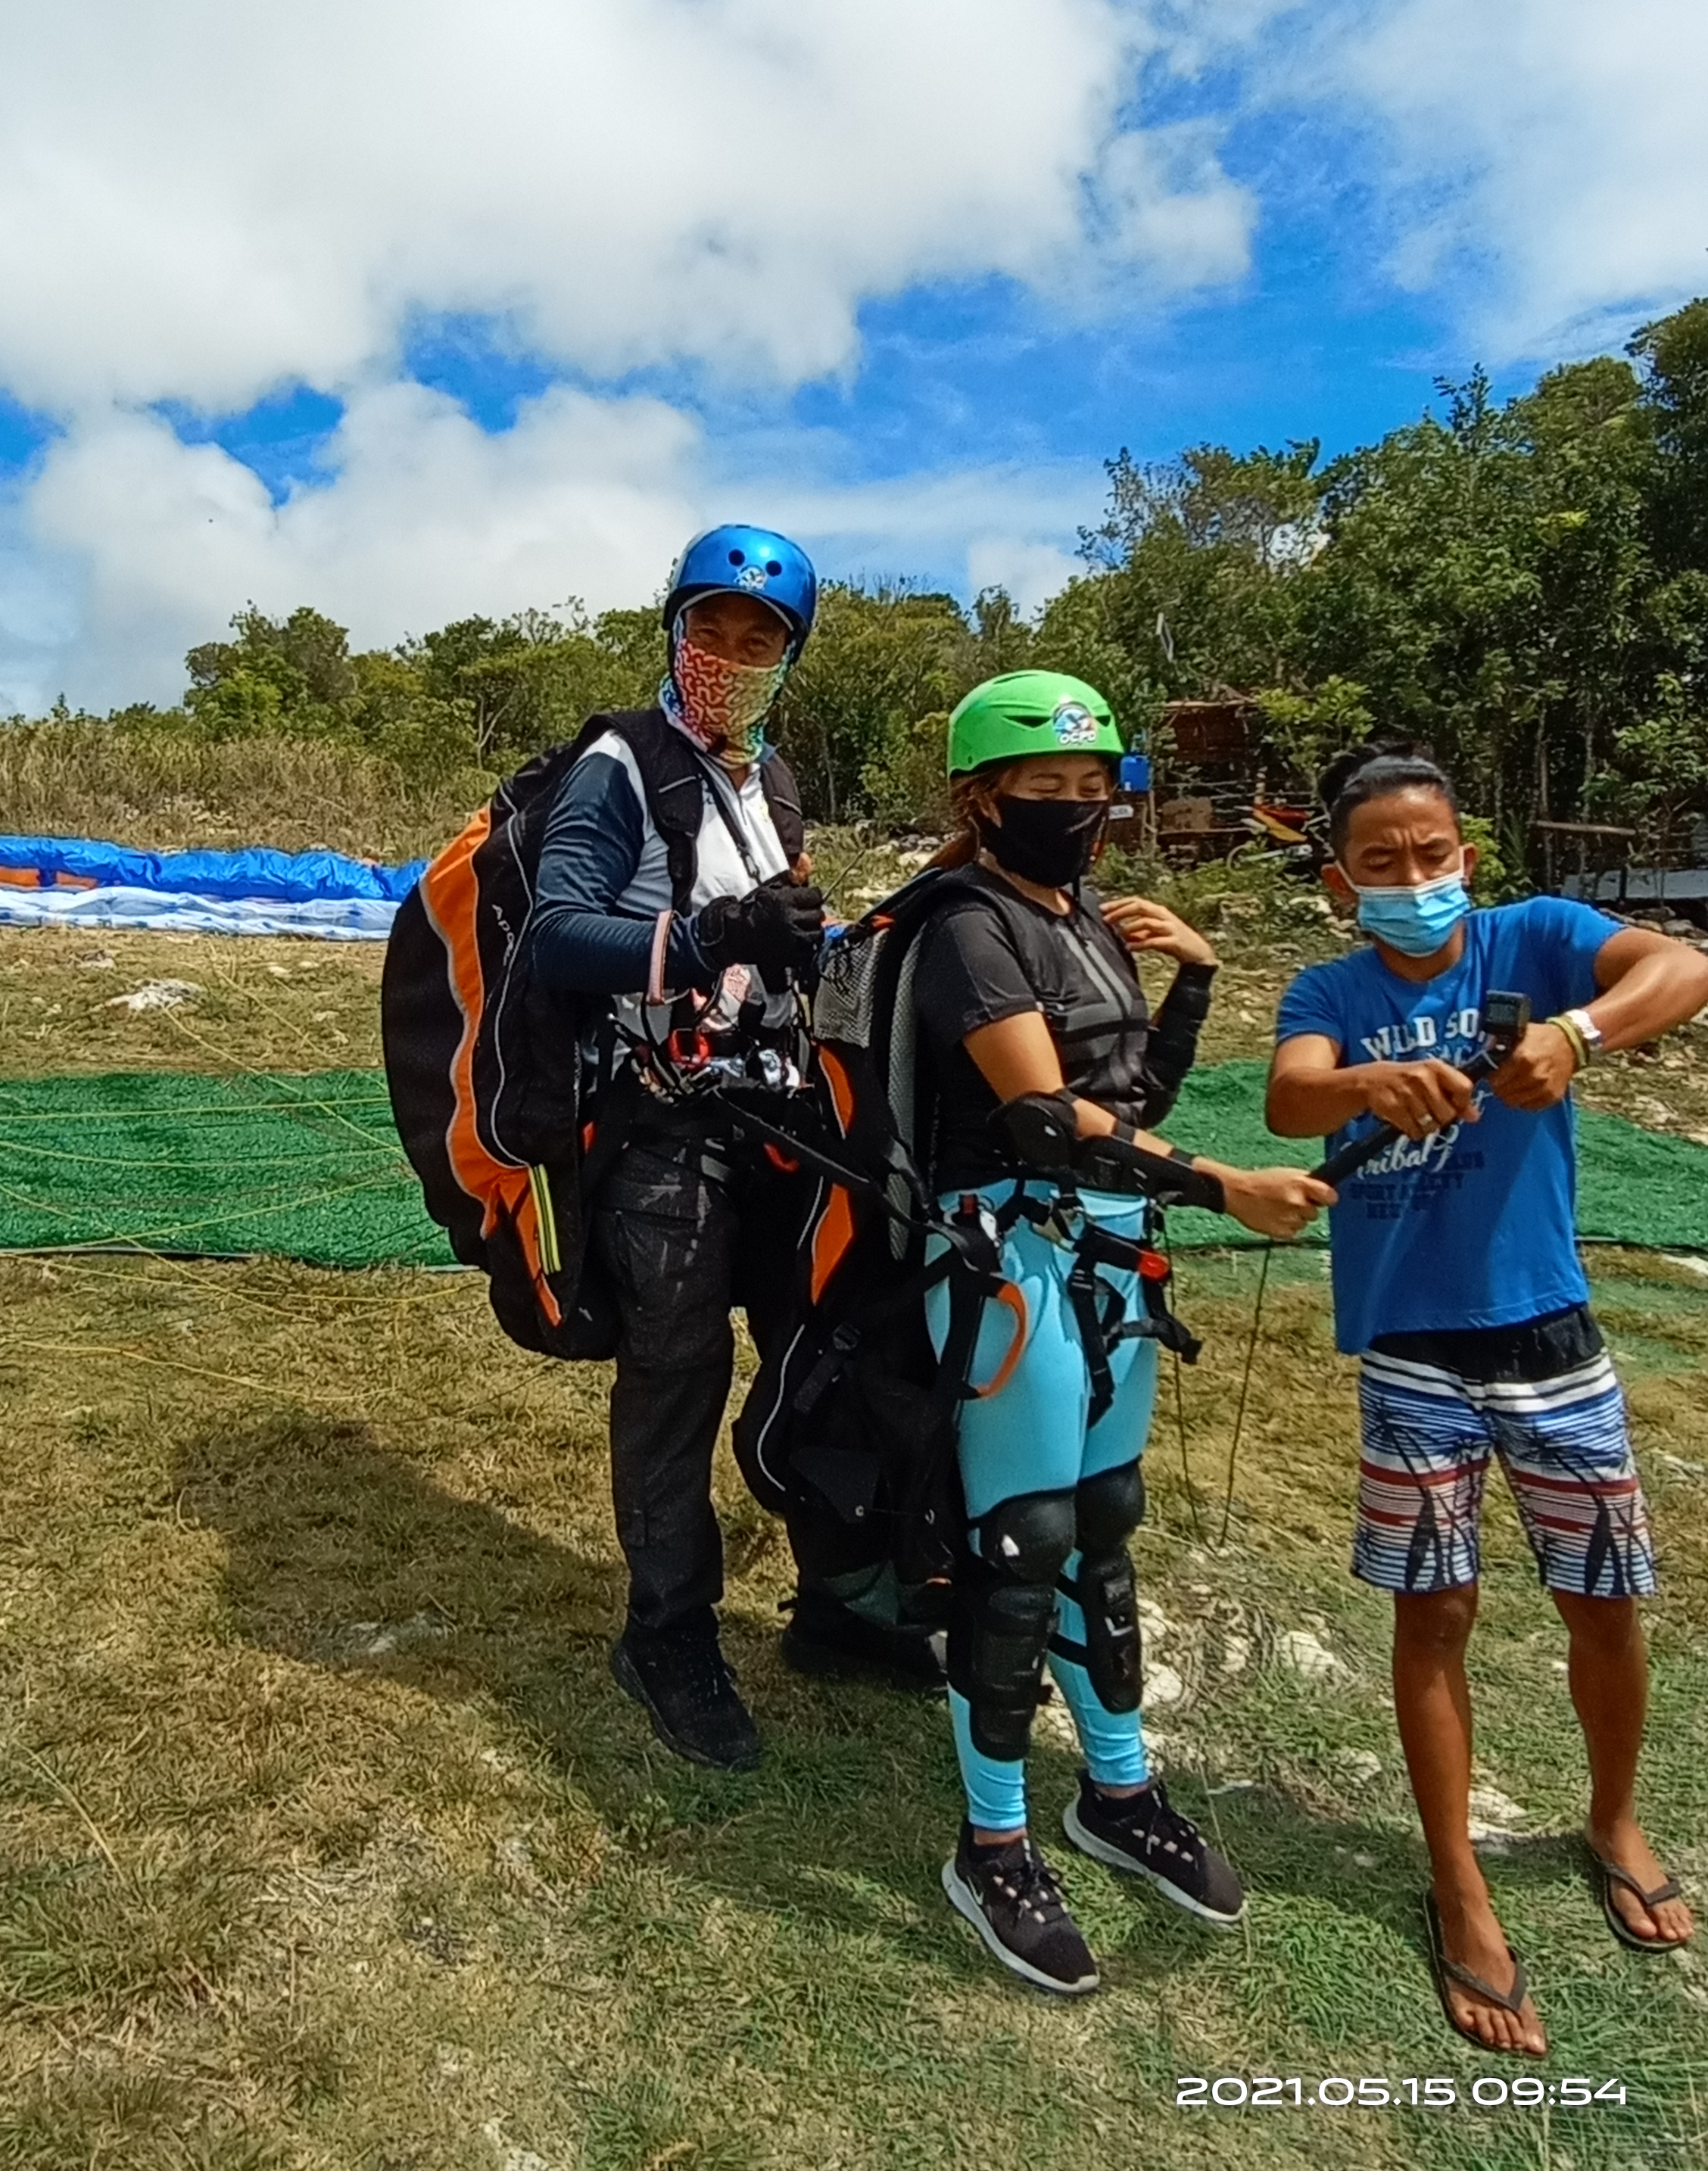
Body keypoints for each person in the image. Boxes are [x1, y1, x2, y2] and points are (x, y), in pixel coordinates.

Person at [1266, 742, 1708, 2055]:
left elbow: (1683, 968)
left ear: (1466, 854)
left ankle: (1613, 1817)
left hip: (1552, 1330)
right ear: (1342, 883)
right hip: (1413, 1347)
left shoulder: (1537, 938)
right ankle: (1458, 1880)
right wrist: (1367, 1084)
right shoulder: (1330, 986)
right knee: (1436, 1612)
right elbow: (1289, 1097)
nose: (1413, 879)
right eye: (1381, 863)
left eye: (1431, 854)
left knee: (1605, 1598)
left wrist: (1576, 1034)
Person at [912, 671, 1333, 1995]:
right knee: (1022, 1538)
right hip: (1009, 1256)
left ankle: (1118, 1790)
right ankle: (991, 1842)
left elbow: (1134, 1092)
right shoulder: (966, 925)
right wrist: (1224, 1186)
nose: (1077, 810)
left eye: (1095, 789)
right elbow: (1043, 1119)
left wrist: (1195, 976)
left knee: (1102, 1518)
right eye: (1047, 788)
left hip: (1110, 1252)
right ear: (984, 798)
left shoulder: (1086, 916)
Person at [529, 525, 939, 1775]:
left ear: (789, 657)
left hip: (780, 1120)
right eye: (711, 627)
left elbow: (782, 939)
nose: (730, 653)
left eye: (759, 638)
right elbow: (556, 934)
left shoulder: (775, 782)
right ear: (674, 631)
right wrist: (711, 939)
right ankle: (666, 1632)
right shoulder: (619, 764)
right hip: (661, 1128)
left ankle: (842, 1595)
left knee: (834, 1348)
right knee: (679, 1371)